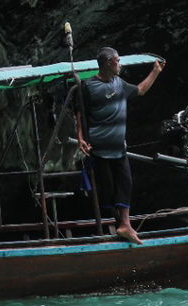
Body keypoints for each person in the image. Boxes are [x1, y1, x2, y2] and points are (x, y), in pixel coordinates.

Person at [71, 47, 165, 245]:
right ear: (107, 62)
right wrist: (80, 138)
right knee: (109, 190)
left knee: (126, 183)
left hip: (119, 149)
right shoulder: (88, 87)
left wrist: (155, 72)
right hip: (99, 150)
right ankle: (122, 225)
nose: (119, 64)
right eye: (117, 61)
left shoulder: (119, 84)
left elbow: (140, 90)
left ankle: (125, 225)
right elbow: (79, 112)